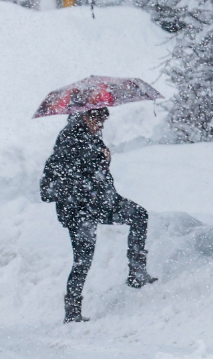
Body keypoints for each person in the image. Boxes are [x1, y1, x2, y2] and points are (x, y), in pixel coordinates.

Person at [40, 107, 156, 322]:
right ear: (85, 117)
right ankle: (73, 311)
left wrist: (103, 160)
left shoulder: (91, 139)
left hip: (102, 203)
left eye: (104, 120)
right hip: (80, 211)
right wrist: (94, 167)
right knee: (83, 259)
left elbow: (97, 175)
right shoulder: (69, 144)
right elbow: (52, 188)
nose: (101, 125)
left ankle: (137, 273)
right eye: (98, 120)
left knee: (139, 215)